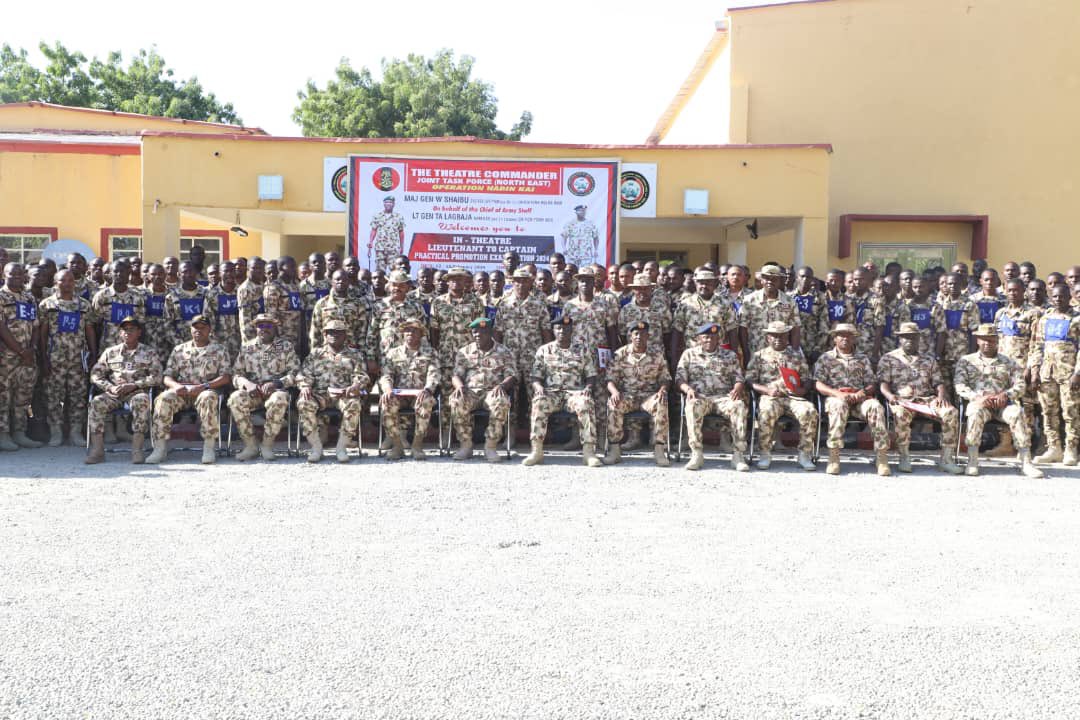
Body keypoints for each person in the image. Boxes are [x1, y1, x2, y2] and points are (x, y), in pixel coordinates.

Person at [954, 324, 1043, 478]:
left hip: (1003, 405)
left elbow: (1021, 385)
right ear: (978, 340)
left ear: (997, 340)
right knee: (974, 413)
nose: (987, 343)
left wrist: (1007, 395)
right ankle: (972, 460)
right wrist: (977, 397)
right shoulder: (966, 361)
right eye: (984, 339)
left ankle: (1026, 462)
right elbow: (959, 385)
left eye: (991, 339)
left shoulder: (1009, 362)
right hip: (980, 403)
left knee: (1016, 413)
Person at [145, 315, 232, 465]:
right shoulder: (179, 349)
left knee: (208, 397)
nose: (198, 331)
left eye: (202, 328)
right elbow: (167, 376)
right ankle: (160, 448)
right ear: (190, 329)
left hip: (204, 390)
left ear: (209, 330)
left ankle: (209, 447)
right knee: (163, 398)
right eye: (195, 328)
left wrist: (205, 386)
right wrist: (176, 386)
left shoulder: (219, 350)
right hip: (182, 392)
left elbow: (226, 377)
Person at [877, 322, 963, 474]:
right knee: (899, 413)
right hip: (902, 400)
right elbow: (883, 384)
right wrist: (890, 396)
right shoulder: (888, 358)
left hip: (927, 400)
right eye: (906, 337)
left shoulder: (928, 359)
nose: (910, 341)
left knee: (951, 412)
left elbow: (938, 383)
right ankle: (904, 457)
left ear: (919, 339)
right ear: (900, 339)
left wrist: (941, 395)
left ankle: (946, 459)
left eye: (913, 337)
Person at [522, 316, 602, 467]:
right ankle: (536, 451)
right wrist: (538, 388)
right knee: (539, 402)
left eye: (566, 328)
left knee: (586, 403)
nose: (562, 331)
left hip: (574, 393)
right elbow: (535, 377)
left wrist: (588, 388)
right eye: (558, 328)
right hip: (551, 393)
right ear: (553, 330)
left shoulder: (582, 349)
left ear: (571, 330)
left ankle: (589, 453)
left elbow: (591, 375)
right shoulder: (544, 350)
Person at [814, 323, 891, 476]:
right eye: (841, 335)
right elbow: (818, 383)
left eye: (849, 335)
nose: (845, 338)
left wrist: (862, 392)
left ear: (854, 339)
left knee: (875, 406)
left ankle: (881, 457)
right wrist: (837, 394)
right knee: (838, 405)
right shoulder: (826, 358)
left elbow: (872, 383)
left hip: (859, 399)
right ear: (835, 338)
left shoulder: (862, 359)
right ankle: (834, 456)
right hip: (836, 397)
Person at [85, 316, 162, 464]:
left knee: (142, 401)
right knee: (96, 402)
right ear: (120, 333)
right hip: (114, 392)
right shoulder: (110, 352)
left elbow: (157, 377)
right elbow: (95, 375)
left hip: (136, 391)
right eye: (125, 330)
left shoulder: (149, 352)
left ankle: (137, 450)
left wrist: (135, 385)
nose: (128, 333)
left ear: (139, 332)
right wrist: (109, 387)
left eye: (132, 329)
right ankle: (97, 451)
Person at [676, 323, 751, 471]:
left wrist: (737, 387)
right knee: (692, 405)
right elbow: (679, 378)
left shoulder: (729, 355)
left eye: (713, 337)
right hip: (700, 396)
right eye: (706, 337)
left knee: (739, 406)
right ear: (699, 339)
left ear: (719, 338)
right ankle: (696, 454)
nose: (709, 340)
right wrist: (687, 389)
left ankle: (738, 455)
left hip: (723, 397)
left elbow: (739, 377)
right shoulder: (689, 354)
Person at [295, 319, 371, 464]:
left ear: (345, 335)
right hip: (319, 394)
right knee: (303, 403)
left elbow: (361, 375)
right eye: (330, 332)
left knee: (354, 404)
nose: (334, 335)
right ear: (324, 335)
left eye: (338, 332)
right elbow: (303, 374)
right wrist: (305, 386)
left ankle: (341, 447)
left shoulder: (355, 354)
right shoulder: (315, 354)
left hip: (343, 394)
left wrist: (355, 386)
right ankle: (316, 447)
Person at [227, 313, 300, 462]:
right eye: (261, 325)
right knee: (235, 398)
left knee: (279, 398)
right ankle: (250, 445)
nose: (264, 328)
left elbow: (296, 373)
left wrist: (277, 383)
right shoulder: (247, 347)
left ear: (275, 328)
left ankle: (267, 445)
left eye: (268, 325)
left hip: (275, 391)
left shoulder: (285, 347)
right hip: (253, 393)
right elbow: (236, 374)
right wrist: (247, 384)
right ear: (256, 328)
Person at [745, 321, 817, 471]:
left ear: (787, 337)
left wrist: (803, 390)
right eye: (774, 336)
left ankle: (804, 454)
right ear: (768, 338)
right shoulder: (759, 356)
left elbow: (807, 378)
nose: (778, 339)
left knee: (809, 411)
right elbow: (750, 381)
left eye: (782, 336)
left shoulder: (796, 356)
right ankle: (765, 453)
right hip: (771, 396)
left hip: (793, 397)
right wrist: (766, 390)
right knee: (766, 410)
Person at [38, 269, 97, 446]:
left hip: (78, 359)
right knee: (53, 395)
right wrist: (43, 358)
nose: (67, 284)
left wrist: (93, 354)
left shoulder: (84, 305)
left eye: (71, 280)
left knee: (78, 395)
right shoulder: (47, 304)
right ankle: (56, 432)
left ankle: (75, 432)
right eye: (62, 280)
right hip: (54, 358)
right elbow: (42, 333)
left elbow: (89, 330)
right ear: (55, 283)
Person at [449, 317, 517, 463]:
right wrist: (459, 386)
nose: (478, 336)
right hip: (470, 392)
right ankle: (466, 445)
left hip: (493, 392)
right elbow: (456, 375)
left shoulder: (504, 351)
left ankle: (490, 446)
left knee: (501, 402)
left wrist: (502, 386)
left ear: (491, 332)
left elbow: (512, 375)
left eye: (483, 332)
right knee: (456, 400)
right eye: (475, 333)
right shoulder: (464, 351)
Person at [604, 321, 672, 467]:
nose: (639, 337)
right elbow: (610, 379)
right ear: (630, 336)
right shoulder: (620, 354)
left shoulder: (657, 354)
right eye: (636, 334)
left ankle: (659, 450)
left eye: (642, 334)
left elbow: (665, 378)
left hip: (649, 396)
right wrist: (614, 392)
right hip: (627, 395)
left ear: (648, 336)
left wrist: (663, 389)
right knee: (613, 403)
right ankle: (614, 451)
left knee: (661, 401)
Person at [1027, 284, 1080, 465]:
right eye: (1055, 296)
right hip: (1047, 374)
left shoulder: (1076, 318)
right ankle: (1054, 448)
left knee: (1071, 412)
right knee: (1048, 412)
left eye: (1062, 296)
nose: (1058, 299)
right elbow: (1037, 347)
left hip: (1069, 374)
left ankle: (1071, 449)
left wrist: (1078, 373)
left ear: (1069, 297)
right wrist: (1035, 371)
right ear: (1050, 297)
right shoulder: (1045, 319)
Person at [378, 319, 439, 461]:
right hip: (399, 395)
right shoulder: (393, 353)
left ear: (422, 334)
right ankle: (397, 446)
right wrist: (387, 389)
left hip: (420, 394)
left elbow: (434, 374)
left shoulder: (430, 353)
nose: (410, 333)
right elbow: (386, 375)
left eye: (414, 330)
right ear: (402, 334)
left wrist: (428, 389)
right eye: (407, 330)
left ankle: (417, 446)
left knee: (426, 402)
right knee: (386, 403)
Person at [0, 263, 43, 450]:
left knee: (23, 396)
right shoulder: (1, 297)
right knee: (3, 395)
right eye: (12, 273)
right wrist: (20, 350)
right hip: (7, 357)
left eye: (20, 273)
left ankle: (19, 432)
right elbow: (1, 327)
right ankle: (3, 434)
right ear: (4, 275)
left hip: (28, 357)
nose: (16, 276)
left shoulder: (29, 297)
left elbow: (35, 325)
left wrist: (31, 348)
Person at [430, 268, 484, 399]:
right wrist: (436, 351)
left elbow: (481, 328)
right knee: (446, 395)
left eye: (460, 279)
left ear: (465, 281)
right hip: (446, 356)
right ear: (447, 282)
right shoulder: (438, 302)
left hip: (468, 357)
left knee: (467, 394)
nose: (456, 282)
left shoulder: (476, 302)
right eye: (452, 279)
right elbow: (434, 330)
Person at [671, 268, 738, 368]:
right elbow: (677, 330)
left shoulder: (725, 303)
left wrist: (734, 355)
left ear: (714, 283)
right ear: (695, 283)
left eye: (708, 283)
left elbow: (732, 330)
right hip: (692, 356)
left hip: (718, 357)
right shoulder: (685, 304)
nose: (704, 286)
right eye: (701, 283)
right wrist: (674, 358)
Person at [739, 264, 802, 359]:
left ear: (779, 280)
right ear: (761, 280)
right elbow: (743, 328)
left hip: (781, 354)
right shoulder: (749, 300)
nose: (770, 281)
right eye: (766, 278)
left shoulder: (790, 302)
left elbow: (795, 330)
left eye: (774, 279)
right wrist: (746, 353)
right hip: (756, 353)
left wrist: (794, 352)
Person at [371, 270, 428, 366]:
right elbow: (372, 333)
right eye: (394, 285)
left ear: (407, 287)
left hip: (409, 360)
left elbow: (423, 334)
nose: (397, 288)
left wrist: (423, 356)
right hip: (385, 358)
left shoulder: (416, 307)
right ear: (389, 286)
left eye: (401, 285)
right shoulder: (379, 306)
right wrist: (371, 358)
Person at [91, 259, 145, 352]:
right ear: (110, 274)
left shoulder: (137, 297)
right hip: (107, 347)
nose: (119, 274)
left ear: (128, 273)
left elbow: (141, 325)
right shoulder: (101, 296)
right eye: (116, 271)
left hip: (131, 349)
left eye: (122, 271)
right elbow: (95, 325)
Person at [618, 272, 672, 357]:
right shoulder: (626, 310)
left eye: (646, 288)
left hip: (656, 357)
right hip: (632, 359)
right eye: (638, 288)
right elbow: (622, 336)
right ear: (633, 290)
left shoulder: (661, 309)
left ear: (651, 289)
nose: (642, 291)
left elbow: (667, 334)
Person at [164, 261, 211, 346]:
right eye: (185, 272)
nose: (189, 274)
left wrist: (206, 341)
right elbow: (167, 325)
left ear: (196, 274)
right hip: (181, 345)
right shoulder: (172, 297)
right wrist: (180, 344)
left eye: (191, 271)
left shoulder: (207, 294)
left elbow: (212, 320)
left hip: (205, 344)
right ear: (178, 275)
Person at [263, 256, 304, 351]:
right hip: (282, 334)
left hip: (296, 333)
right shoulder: (273, 287)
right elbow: (270, 315)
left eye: (295, 266)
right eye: (291, 266)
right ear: (281, 268)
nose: (294, 269)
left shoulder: (295, 285)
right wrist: (276, 337)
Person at [206, 261, 242, 362]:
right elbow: (208, 321)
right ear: (219, 274)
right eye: (226, 271)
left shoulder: (242, 291)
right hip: (219, 344)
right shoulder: (212, 295)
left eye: (232, 271)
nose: (229, 274)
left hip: (240, 343)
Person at [793, 266, 828, 360]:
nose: (805, 279)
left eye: (808, 277)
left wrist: (818, 348)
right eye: (802, 276)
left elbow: (824, 324)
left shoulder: (820, 297)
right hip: (793, 346)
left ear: (812, 279)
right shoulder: (789, 297)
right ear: (797, 278)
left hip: (812, 346)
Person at [141, 263, 172, 359]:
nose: (157, 277)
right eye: (153, 274)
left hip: (168, 341)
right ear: (148, 276)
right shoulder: (141, 294)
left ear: (165, 275)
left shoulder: (173, 294)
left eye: (160, 274)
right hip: (147, 341)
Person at [369, 196, 406, 271]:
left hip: (393, 248)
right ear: (384, 204)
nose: (388, 204)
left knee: (394, 270)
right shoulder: (377, 216)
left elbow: (401, 232)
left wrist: (402, 246)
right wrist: (370, 242)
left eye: (390, 202)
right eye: (386, 202)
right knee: (380, 271)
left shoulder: (398, 217)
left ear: (394, 204)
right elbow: (374, 230)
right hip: (380, 248)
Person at [237, 256, 267, 345]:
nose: (258, 270)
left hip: (265, 331)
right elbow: (244, 318)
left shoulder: (264, 285)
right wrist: (250, 341)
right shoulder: (245, 289)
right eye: (254, 268)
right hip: (252, 336)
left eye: (260, 268)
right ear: (248, 269)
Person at [560, 205, 600, 269]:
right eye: (581, 211)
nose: (583, 212)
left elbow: (596, 237)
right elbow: (564, 237)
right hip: (573, 255)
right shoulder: (570, 223)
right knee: (572, 271)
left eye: (584, 211)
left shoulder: (590, 224)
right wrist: (564, 248)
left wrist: (596, 250)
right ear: (576, 212)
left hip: (586, 255)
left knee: (585, 272)